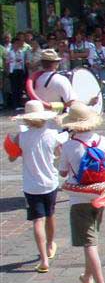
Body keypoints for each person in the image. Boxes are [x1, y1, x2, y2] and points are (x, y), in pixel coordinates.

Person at [58, 103, 105, 283]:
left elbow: (63, 172)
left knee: (90, 244)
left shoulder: (69, 145)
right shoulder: (103, 141)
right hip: (100, 196)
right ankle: (87, 277)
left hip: (79, 199)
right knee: (93, 237)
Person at [9, 100, 61, 273]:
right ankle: (50, 244)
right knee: (51, 214)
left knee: (37, 220)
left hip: (31, 185)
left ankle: (44, 259)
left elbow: (11, 156)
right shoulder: (51, 134)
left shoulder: (21, 137)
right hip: (50, 182)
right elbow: (58, 152)